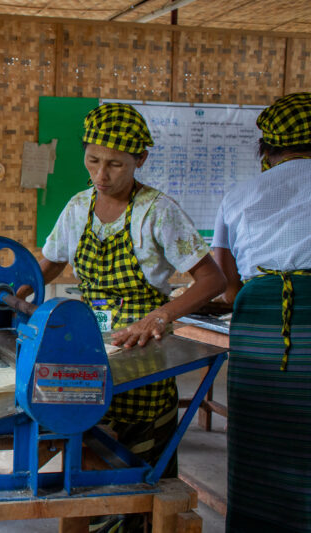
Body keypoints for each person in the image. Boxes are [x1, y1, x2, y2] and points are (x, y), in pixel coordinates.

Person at [21, 103, 225, 531]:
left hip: (141, 349)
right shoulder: (78, 207)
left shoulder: (158, 212)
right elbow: (53, 261)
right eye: (93, 161)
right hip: (89, 343)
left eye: (115, 164)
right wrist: (24, 289)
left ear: (140, 160)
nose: (101, 174)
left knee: (139, 462)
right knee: (88, 444)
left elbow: (212, 279)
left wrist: (159, 317)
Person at [211, 92, 311, 533]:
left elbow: (225, 277)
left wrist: (239, 293)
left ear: (266, 148)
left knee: (261, 433)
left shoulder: (240, 193)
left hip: (261, 318)